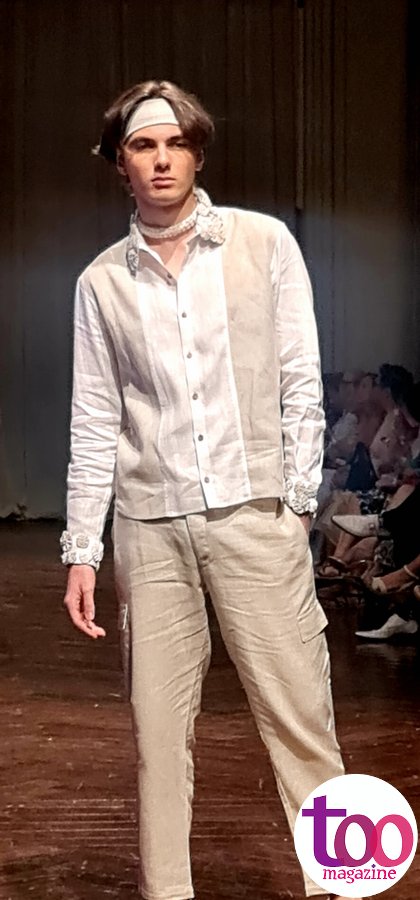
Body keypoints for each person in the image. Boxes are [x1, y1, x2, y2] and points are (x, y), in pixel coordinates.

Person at [61, 79, 357, 900]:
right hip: (151, 530)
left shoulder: (265, 244)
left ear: (196, 153)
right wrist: (83, 548)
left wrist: (296, 504)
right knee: (157, 738)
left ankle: (339, 887)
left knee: (301, 721)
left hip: (254, 516)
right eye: (142, 146)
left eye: (175, 144)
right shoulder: (100, 282)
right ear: (120, 165)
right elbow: (95, 418)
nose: (161, 160)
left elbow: (302, 380)